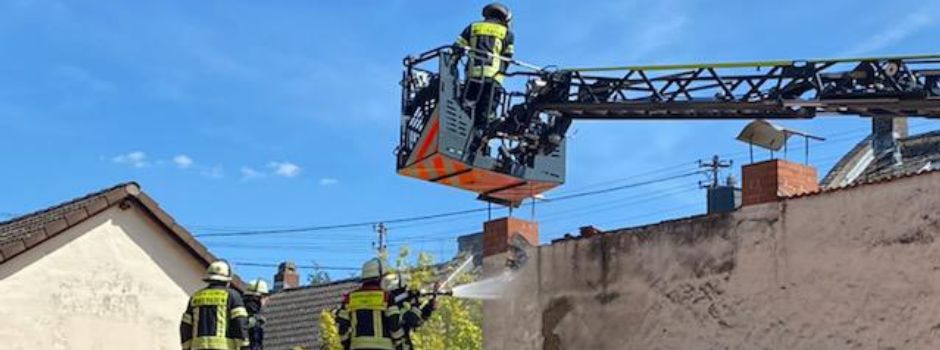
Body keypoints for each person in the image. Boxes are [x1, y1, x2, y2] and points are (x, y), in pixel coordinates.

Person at [455, 3, 515, 130]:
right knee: (485, 116)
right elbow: (508, 57)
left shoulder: (473, 27)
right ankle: (480, 141)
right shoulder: (507, 33)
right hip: (493, 79)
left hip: (473, 77)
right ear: (505, 18)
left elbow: (457, 48)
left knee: (467, 111)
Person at [335, 258, 404, 350]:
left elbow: (342, 328)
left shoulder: (350, 298)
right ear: (380, 278)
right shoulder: (386, 297)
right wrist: (400, 342)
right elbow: (394, 325)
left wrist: (347, 344)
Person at [180, 260, 250, 350]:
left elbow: (185, 326)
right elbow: (239, 323)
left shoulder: (195, 297)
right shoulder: (233, 296)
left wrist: (186, 347)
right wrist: (244, 346)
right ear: (227, 280)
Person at [382, 273, 437, 350]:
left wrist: (429, 308)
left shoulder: (389, 304)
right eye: (405, 288)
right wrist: (414, 302)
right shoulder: (394, 307)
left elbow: (418, 321)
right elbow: (413, 319)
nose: (406, 290)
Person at [243, 279, 270, 350]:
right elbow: (255, 344)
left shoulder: (239, 308)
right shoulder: (255, 318)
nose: (267, 300)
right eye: (265, 296)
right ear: (259, 297)